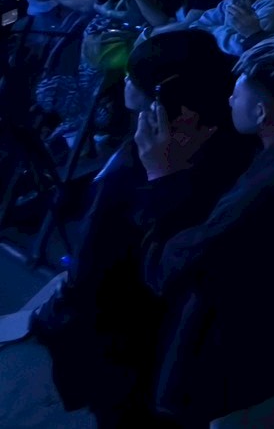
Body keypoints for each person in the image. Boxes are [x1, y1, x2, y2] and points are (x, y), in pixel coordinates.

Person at [31, 30, 252, 429]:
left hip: (132, 343)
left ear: (162, 98)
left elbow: (118, 265)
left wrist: (161, 179)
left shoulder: (164, 164)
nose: (125, 82)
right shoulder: (210, 134)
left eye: (133, 76)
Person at [142, 35, 274, 427]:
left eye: (236, 95)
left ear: (259, 112)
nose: (227, 102)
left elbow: (169, 268)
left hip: (250, 365)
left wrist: (162, 177)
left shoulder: (271, 183)